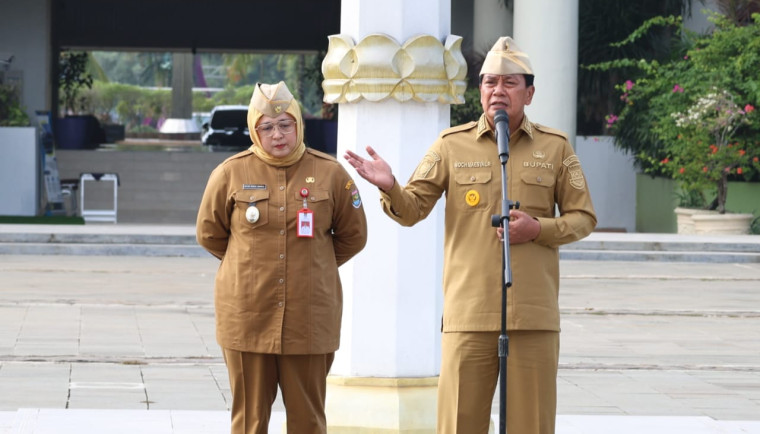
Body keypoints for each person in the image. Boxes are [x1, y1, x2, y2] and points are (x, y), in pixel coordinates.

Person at [344, 37, 596, 433]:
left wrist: (538, 229)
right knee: (459, 423)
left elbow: (583, 217)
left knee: (531, 425)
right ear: (480, 90)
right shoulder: (451, 145)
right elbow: (412, 210)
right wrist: (390, 185)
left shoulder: (556, 148)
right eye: (490, 82)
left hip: (532, 315)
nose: (498, 91)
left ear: (529, 93)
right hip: (469, 313)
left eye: (510, 83)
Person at [197, 81, 368, 434]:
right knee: (249, 421)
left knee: (308, 420)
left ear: (298, 124)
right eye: (267, 127)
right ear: (254, 129)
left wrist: (312, 262)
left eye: (285, 124)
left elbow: (354, 236)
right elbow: (209, 233)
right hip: (247, 316)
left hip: (309, 318)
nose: (278, 135)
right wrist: (248, 264)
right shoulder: (230, 173)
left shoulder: (331, 173)